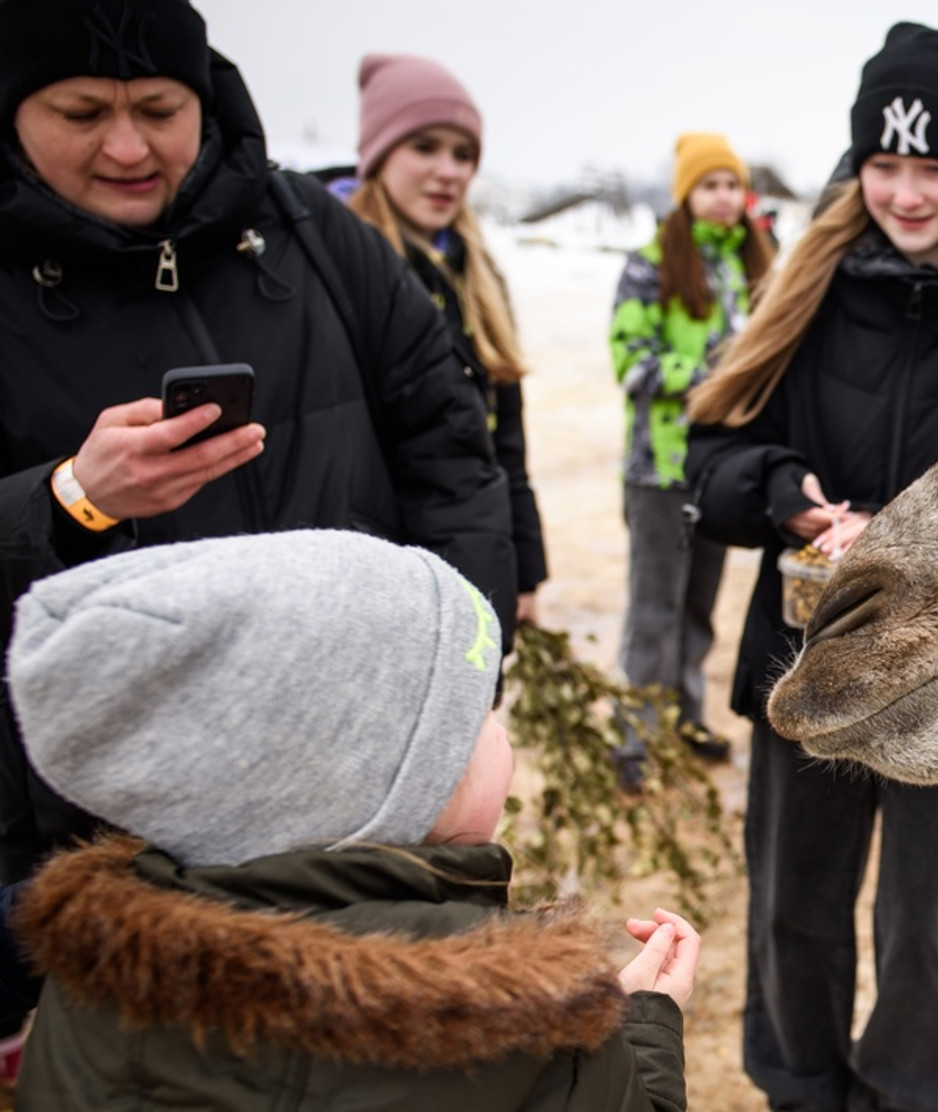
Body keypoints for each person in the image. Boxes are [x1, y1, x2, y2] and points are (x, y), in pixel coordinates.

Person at [0, 529, 700, 1112]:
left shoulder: (81, 1001)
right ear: (386, 784)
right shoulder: (535, 1041)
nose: (502, 738)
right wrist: (641, 1032)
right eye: (474, 717)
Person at [0, 0, 516, 892]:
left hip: (366, 786)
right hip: (110, 836)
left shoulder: (311, 232)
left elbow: (451, 448)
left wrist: (461, 665)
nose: (128, 149)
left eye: (159, 112)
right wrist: (71, 498)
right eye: (82, 114)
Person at [684, 21, 938, 1112]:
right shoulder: (807, 291)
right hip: (802, 671)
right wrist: (785, 493)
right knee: (795, 906)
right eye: (882, 167)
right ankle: (804, 1111)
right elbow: (708, 459)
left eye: (931, 168)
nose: (903, 193)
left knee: (926, 924)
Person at [345, 53, 548, 629]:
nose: (449, 171)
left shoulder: (479, 277)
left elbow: (505, 440)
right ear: (379, 154)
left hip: (468, 553)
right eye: (425, 147)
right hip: (378, 566)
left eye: (463, 154)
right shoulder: (341, 273)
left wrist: (523, 570)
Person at [610, 131, 773, 770]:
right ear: (685, 195)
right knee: (655, 610)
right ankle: (636, 739)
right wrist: (714, 377)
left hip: (717, 471)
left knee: (699, 610)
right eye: (710, 185)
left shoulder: (750, 264)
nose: (725, 197)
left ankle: (683, 720)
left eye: (733, 184)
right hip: (659, 472)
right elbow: (631, 363)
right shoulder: (649, 263)